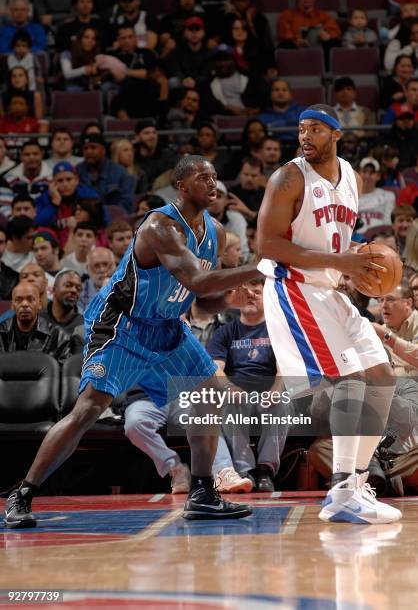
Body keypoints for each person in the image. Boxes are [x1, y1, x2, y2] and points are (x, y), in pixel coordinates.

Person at [3, 154, 260, 528]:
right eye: (203, 177)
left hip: (167, 325)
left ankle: (203, 492)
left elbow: (204, 301)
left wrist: (231, 299)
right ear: (182, 186)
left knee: (210, 393)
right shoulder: (159, 225)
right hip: (122, 324)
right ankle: (22, 493)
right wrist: (260, 266)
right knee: (88, 409)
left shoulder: (216, 233)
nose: (212, 183)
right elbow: (199, 281)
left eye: (215, 177)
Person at [257, 103, 402, 524]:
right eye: (302, 129)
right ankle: (340, 489)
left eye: (316, 129)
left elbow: (336, 234)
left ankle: (357, 483)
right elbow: (266, 244)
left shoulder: (351, 177)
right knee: (349, 380)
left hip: (329, 289)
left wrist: (356, 253)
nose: (306, 137)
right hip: (293, 287)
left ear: (336, 134)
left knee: (381, 377)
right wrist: (342, 264)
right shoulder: (287, 177)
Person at [207, 277, 289, 491]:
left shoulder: (277, 329)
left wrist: (276, 390)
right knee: (228, 401)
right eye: (246, 292)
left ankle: (266, 469)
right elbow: (216, 368)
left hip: (268, 391)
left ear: (268, 298)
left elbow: (283, 368)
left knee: (282, 401)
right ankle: (247, 471)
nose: (251, 296)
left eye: (257, 292)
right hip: (239, 392)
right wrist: (228, 388)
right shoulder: (224, 332)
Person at [0, 282, 74, 363]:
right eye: (18, 300)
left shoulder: (59, 337)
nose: (24, 304)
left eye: (30, 299)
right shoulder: (1, 332)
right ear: (12, 305)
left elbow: (62, 372)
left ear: (39, 304)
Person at [77, 133, 135, 213]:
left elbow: (127, 204)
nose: (89, 151)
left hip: (114, 219)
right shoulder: (77, 171)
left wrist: (104, 214)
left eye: (93, 147)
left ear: (103, 150)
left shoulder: (120, 173)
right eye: (85, 148)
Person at [372, 280, 418, 378]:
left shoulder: (383, 334)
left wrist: (389, 339)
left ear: (408, 303)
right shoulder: (379, 332)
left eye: (390, 299)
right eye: (381, 300)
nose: (384, 305)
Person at [356, 157, 396, 237]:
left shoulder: (388, 196)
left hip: (379, 238)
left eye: (371, 173)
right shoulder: (349, 197)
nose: (367, 176)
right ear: (358, 173)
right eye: (364, 172)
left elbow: (388, 224)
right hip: (356, 240)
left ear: (378, 176)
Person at [42, 269, 84, 335]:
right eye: (68, 285)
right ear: (54, 290)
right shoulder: (39, 319)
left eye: (78, 288)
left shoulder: (83, 325)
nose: (74, 290)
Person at [78, 246, 116, 312]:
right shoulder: (79, 291)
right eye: (96, 266)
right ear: (87, 268)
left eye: (105, 264)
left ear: (114, 265)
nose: (102, 270)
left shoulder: (126, 287)